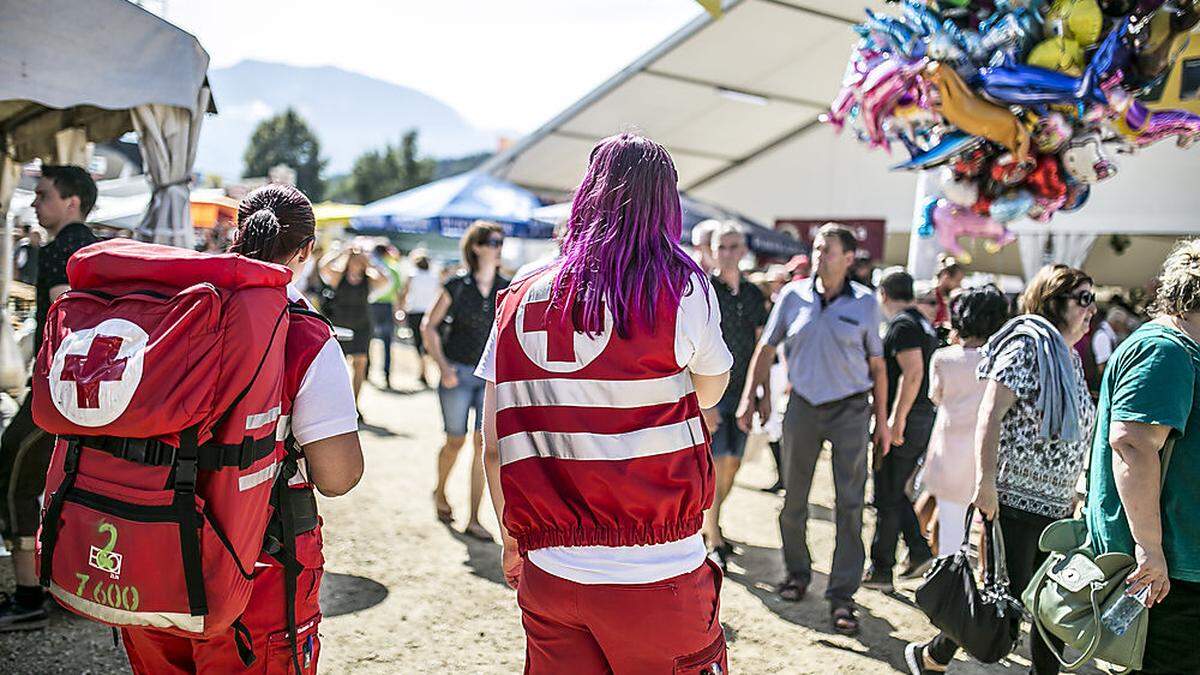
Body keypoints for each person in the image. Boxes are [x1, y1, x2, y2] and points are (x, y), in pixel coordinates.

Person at [477, 133, 732, 673]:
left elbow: (495, 444)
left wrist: (512, 540)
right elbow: (709, 389)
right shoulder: (681, 287)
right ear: (667, 204)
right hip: (656, 569)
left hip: (551, 567)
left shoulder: (519, 293)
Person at [120, 183, 363, 673]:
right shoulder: (306, 334)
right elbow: (338, 476)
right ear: (306, 251)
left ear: (236, 232)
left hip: (148, 542)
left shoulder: (176, 312)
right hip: (256, 564)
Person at [907, 264, 1096, 675]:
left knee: (1048, 601)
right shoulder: (1026, 346)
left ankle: (933, 656)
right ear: (1053, 301)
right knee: (1004, 604)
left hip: (1055, 504)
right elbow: (989, 415)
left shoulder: (1069, 360)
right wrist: (985, 482)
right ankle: (933, 654)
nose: (1091, 310)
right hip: (1013, 499)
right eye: (1083, 299)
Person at [738, 222, 889, 636]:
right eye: (818, 247)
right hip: (802, 405)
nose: (820, 253)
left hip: (851, 410)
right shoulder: (792, 296)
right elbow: (766, 348)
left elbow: (878, 366)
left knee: (850, 505)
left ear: (847, 257)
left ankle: (842, 595)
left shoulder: (865, 303)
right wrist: (753, 394)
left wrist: (885, 420)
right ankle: (797, 574)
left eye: (829, 248)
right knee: (794, 499)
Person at [1086, 240, 1200, 675]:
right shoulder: (1167, 349)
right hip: (1169, 576)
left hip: (1173, 572)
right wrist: (1149, 550)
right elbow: (1132, 444)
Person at [0, 166, 98, 632]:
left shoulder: (65, 248)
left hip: (58, 388)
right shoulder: (94, 244)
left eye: (43, 195)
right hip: (88, 392)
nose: (35, 204)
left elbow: (68, 320)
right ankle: (60, 586)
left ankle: (27, 596)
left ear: (72, 202)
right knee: (66, 485)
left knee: (14, 474)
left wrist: (51, 385)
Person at [423, 221, 509, 542]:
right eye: (493, 241)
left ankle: (475, 517)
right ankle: (441, 492)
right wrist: (443, 367)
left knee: (485, 447)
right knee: (455, 441)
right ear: (476, 246)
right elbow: (428, 326)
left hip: (489, 379)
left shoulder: (507, 287)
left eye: (501, 242)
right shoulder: (457, 285)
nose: (499, 247)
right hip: (457, 373)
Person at [921, 285, 1010, 557]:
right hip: (986, 455)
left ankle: (945, 584)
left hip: (947, 451)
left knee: (949, 533)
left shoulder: (944, 358)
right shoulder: (1002, 362)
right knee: (987, 529)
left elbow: (936, 397)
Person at [864, 269, 937, 593]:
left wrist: (896, 419)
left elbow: (913, 373)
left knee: (887, 493)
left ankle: (883, 568)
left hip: (908, 419)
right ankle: (915, 552)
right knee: (893, 491)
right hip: (919, 417)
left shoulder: (904, 325)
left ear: (883, 293)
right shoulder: (919, 322)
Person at [702, 222, 768, 569]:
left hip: (743, 390)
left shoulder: (754, 294)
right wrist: (704, 403)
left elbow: (762, 346)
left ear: (743, 250)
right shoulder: (704, 291)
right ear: (712, 251)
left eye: (732, 246)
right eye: (721, 247)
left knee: (733, 464)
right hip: (713, 390)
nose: (727, 253)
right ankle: (713, 537)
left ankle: (711, 524)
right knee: (713, 465)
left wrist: (761, 392)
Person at [320, 244, 387, 408]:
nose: (357, 261)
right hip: (340, 326)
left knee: (360, 363)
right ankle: (335, 403)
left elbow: (386, 280)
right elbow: (323, 266)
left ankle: (354, 404)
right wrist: (342, 252)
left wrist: (370, 260)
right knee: (336, 366)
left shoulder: (368, 279)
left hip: (362, 325)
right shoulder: (339, 277)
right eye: (354, 258)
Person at [399, 248, 439, 387]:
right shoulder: (434, 277)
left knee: (418, 343)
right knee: (428, 343)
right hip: (430, 313)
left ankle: (423, 371)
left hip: (415, 312)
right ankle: (425, 370)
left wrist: (400, 309)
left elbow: (404, 294)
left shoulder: (412, 276)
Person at [369, 243, 405, 390]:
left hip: (372, 306)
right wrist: (399, 311)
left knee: (368, 340)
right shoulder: (393, 269)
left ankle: (365, 372)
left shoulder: (372, 268)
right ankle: (387, 375)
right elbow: (398, 293)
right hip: (388, 307)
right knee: (387, 342)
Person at [932, 254, 965, 329]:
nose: (959, 285)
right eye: (957, 281)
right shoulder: (929, 298)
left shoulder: (947, 299)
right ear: (945, 276)